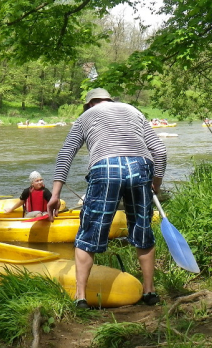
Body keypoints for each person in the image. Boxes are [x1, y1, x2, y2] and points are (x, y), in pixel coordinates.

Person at [47, 88, 167, 309]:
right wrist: (156, 184)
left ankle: (81, 297)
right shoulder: (133, 111)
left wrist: (55, 194)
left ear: (89, 104)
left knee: (88, 233)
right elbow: (159, 151)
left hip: (105, 167)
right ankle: (150, 292)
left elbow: (66, 153)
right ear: (110, 100)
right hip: (140, 166)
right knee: (142, 230)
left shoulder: (85, 117)